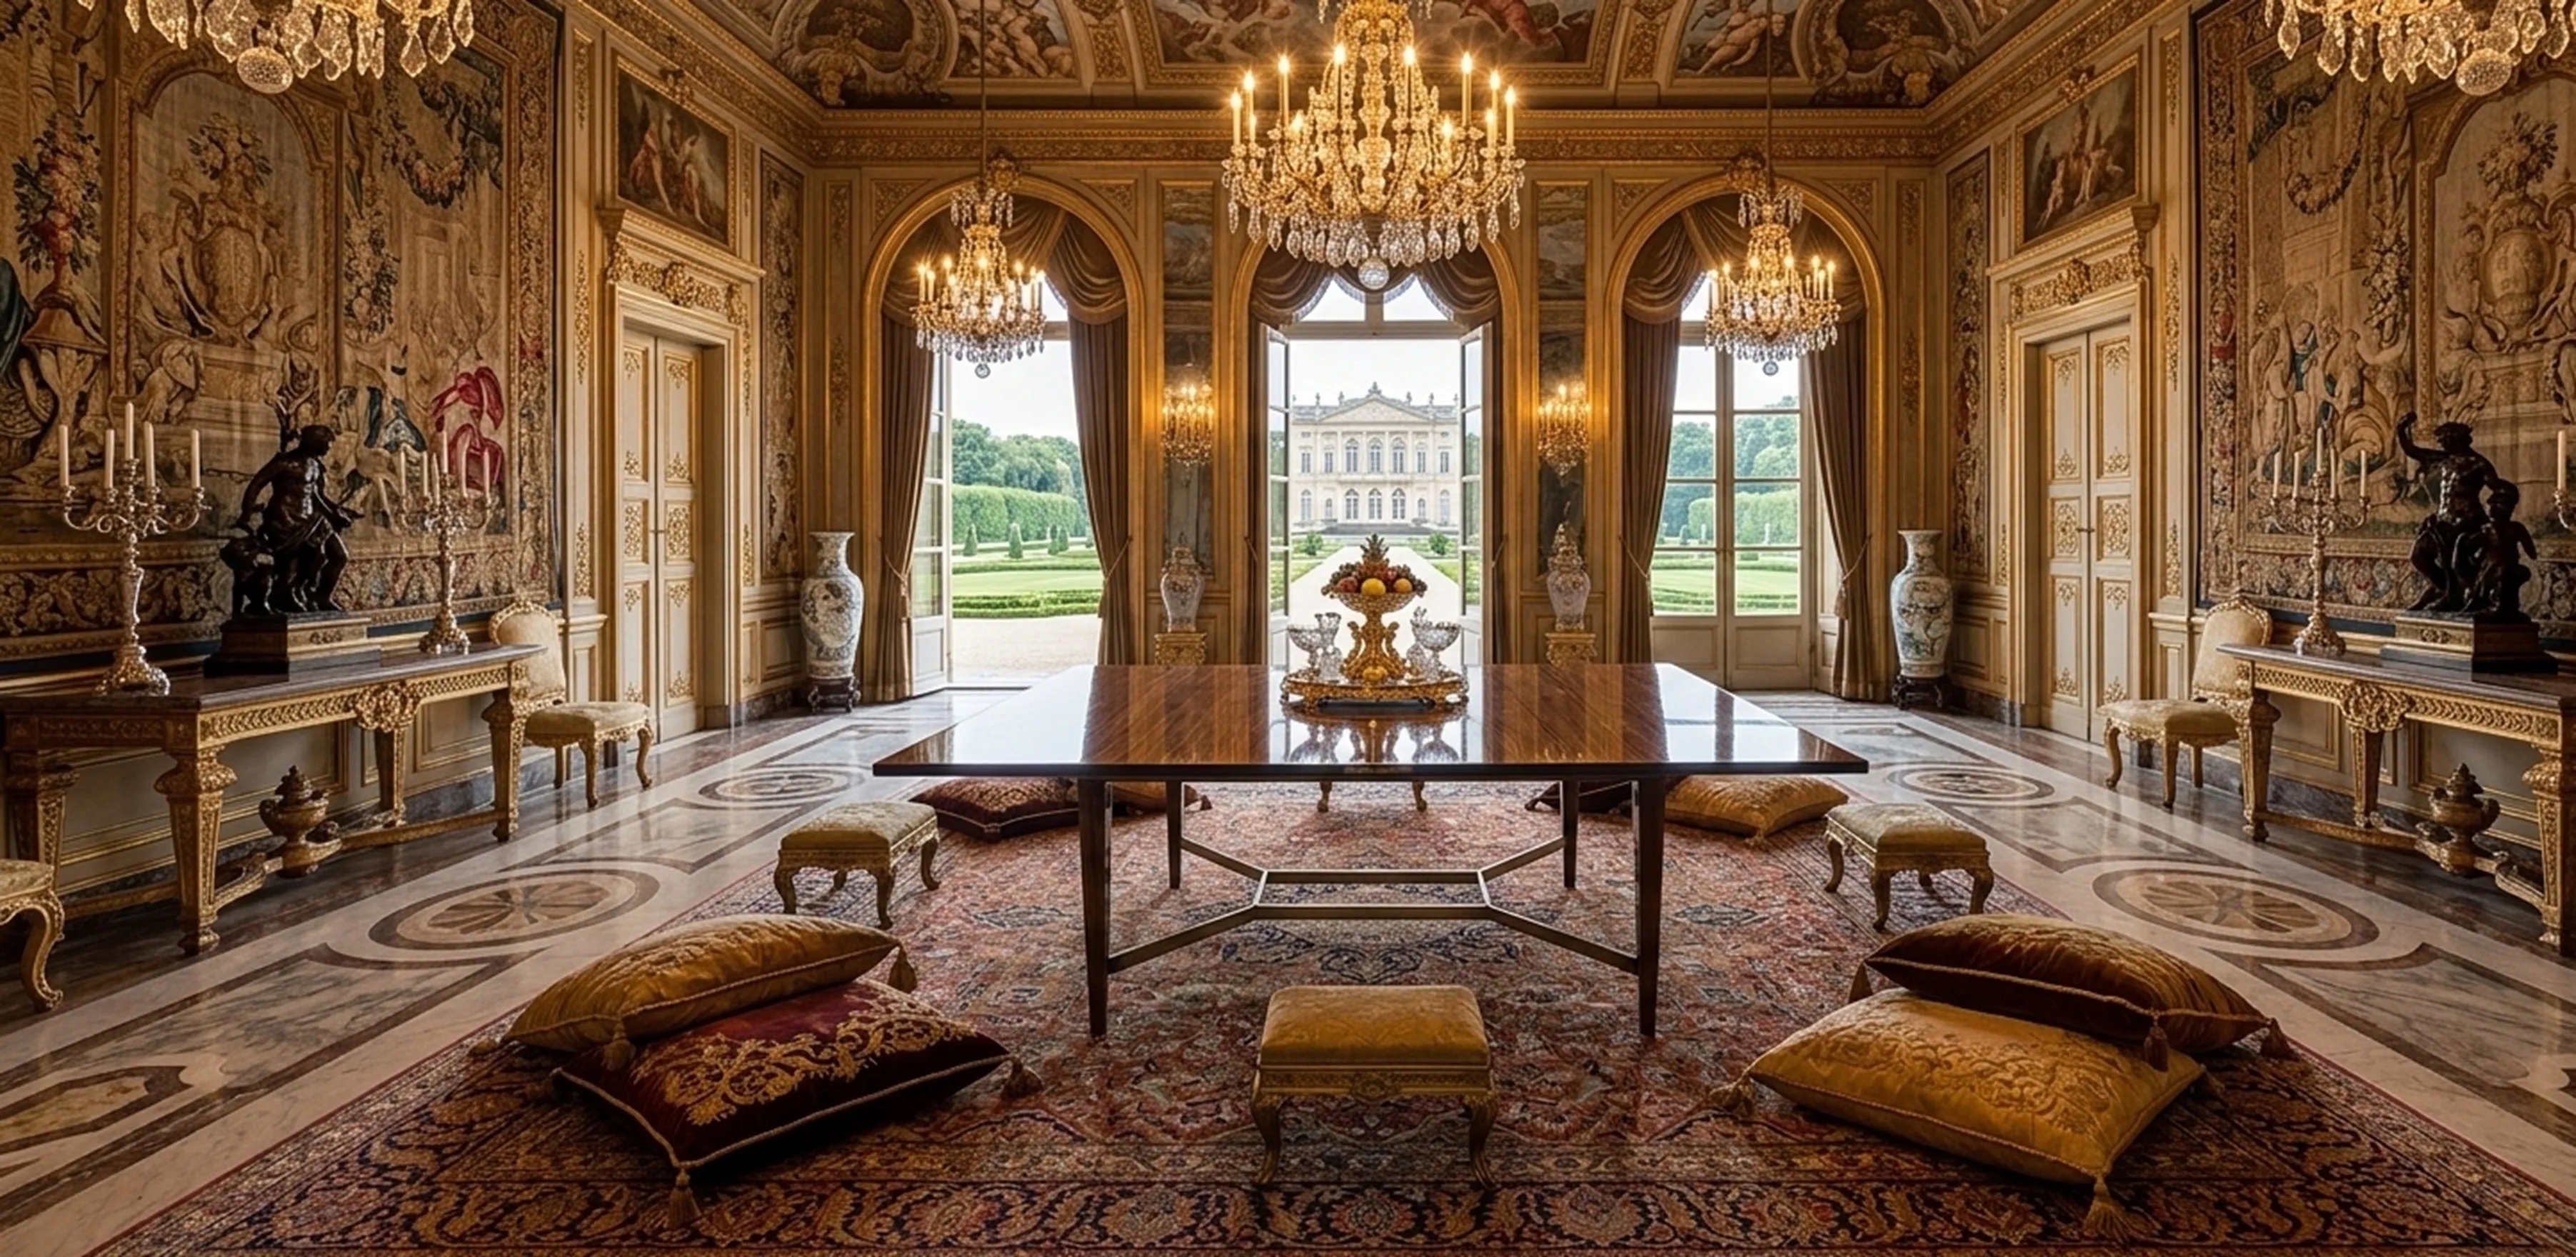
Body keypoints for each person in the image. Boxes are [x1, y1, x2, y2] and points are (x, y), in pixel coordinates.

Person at [221, 425, 355, 617]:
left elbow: (315, 495)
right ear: (313, 442)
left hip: (312, 519)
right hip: (286, 520)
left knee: (340, 555)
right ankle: (289, 593)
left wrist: (335, 515)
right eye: (326, 444)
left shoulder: (316, 465)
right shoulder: (286, 462)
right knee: (310, 559)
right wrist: (246, 514)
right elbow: (257, 483)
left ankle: (322, 597)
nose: (328, 449)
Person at [2395, 413, 2500, 613]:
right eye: (2442, 441)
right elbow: (2411, 450)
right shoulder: (2443, 459)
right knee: (2419, 555)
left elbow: (2500, 488)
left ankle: (2451, 595)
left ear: (2460, 439)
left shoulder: (2477, 463)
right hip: (2443, 520)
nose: (2443, 445)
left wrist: (2496, 513)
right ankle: (2445, 590)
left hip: (2468, 521)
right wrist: (2402, 429)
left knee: (2454, 562)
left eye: (2446, 440)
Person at [2465, 481, 2535, 617]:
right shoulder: (2488, 529)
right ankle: (2489, 604)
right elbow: (2471, 548)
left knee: (2503, 578)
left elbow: (2530, 549)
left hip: (2505, 564)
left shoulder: (2512, 528)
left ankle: (2502, 607)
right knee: (2486, 582)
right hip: (2491, 565)